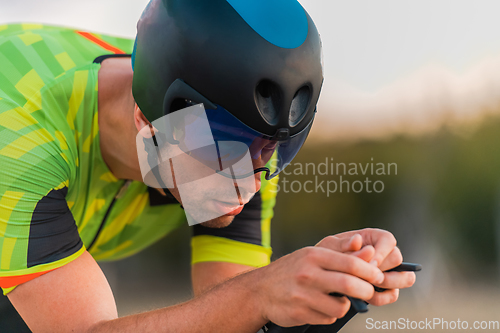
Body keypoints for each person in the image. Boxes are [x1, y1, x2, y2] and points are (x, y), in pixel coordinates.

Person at [0, 0, 416, 332]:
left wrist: (321, 291)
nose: (248, 184)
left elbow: (230, 315)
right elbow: (85, 329)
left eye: (271, 149)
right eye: (224, 151)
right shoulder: (18, 132)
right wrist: (259, 293)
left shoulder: (242, 148)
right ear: (149, 118)